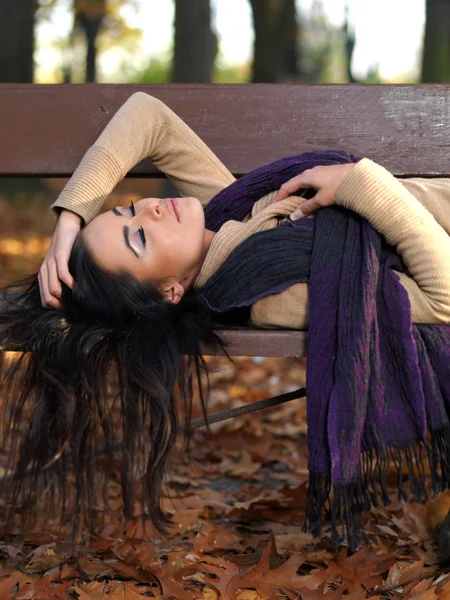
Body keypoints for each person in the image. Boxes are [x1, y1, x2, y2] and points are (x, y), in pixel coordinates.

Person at [1, 92, 449, 544]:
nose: (152, 208)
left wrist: (71, 218)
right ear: (171, 291)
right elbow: (443, 299)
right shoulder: (268, 291)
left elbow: (148, 115)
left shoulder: (229, 215)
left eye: (129, 209)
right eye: (140, 238)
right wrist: (359, 183)